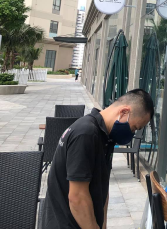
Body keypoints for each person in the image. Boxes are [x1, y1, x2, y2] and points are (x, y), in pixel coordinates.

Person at [40, 89, 154, 229]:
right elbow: (77, 197)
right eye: (134, 127)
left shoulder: (106, 137)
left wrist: (103, 224)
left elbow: (102, 186)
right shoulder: (86, 134)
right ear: (124, 112)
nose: (132, 133)